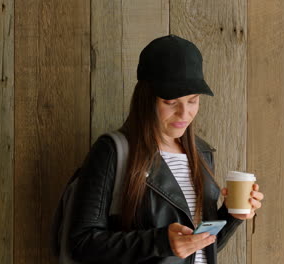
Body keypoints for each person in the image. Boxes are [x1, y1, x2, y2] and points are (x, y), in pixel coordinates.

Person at [68, 34, 264, 264]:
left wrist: (232, 215)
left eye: (192, 100)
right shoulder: (113, 151)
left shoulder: (201, 153)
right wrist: (160, 242)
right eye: (171, 103)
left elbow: (196, 250)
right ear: (146, 98)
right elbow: (81, 243)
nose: (184, 114)